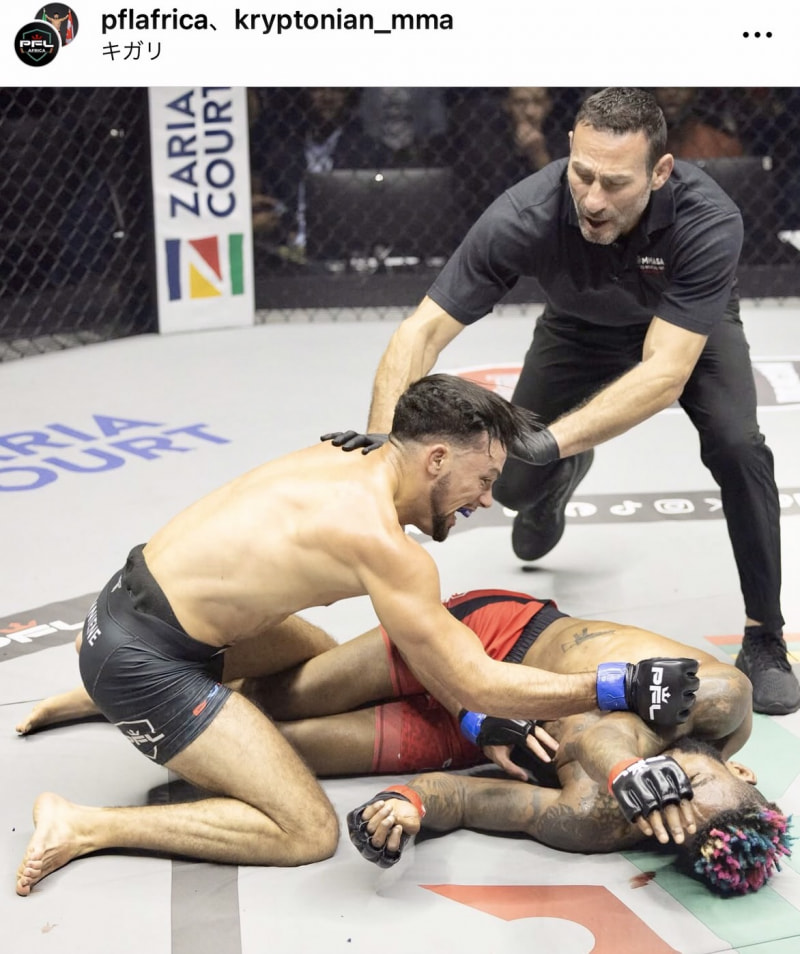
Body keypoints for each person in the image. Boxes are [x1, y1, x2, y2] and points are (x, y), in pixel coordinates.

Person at [14, 374, 699, 896]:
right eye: (484, 478)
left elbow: (450, 675)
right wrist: (618, 685)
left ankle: (102, 694)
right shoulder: (384, 546)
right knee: (305, 830)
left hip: (126, 611)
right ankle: (86, 823)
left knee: (325, 660)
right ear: (436, 459)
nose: (487, 499)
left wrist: (471, 715)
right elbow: (477, 680)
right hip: (145, 660)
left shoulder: (348, 456)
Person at [329, 86, 799, 716]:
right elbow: (422, 331)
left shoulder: (707, 218)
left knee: (739, 446)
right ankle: (559, 478)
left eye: (616, 183)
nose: (593, 199)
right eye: (583, 174)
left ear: (661, 172)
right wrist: (387, 441)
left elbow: (663, 372)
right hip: (576, 331)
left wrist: (550, 439)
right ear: (570, 149)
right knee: (515, 485)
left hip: (687, 331)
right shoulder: (525, 212)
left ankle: (765, 636)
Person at [18, 588, 789, 897]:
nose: (668, 790)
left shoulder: (597, 818)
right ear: (743, 770)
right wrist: (627, 768)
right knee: (290, 689)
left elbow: (469, 799)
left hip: (468, 733)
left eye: (669, 812)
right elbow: (604, 723)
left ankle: (104, 762)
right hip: (488, 641)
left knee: (267, 742)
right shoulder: (724, 703)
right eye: (690, 782)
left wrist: (406, 808)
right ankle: (121, 678)